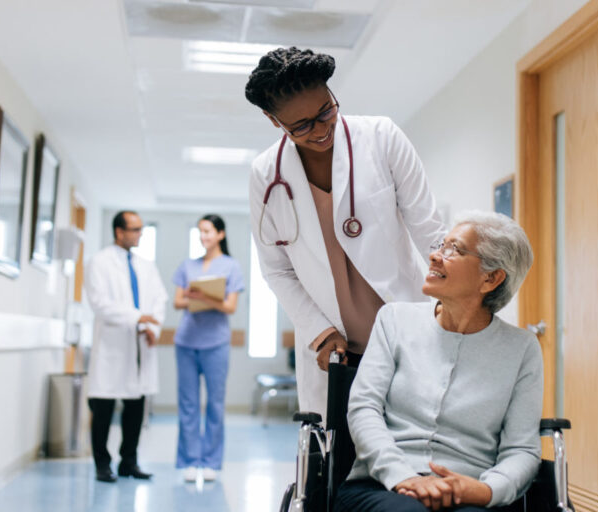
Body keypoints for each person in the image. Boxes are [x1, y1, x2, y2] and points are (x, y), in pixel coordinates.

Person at [245, 47, 447, 417]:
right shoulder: (265, 174)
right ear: (273, 120)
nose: (322, 130)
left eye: (326, 111)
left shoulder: (381, 137)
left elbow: (430, 231)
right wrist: (319, 332)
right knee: (335, 448)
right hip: (332, 350)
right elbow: (276, 268)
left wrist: (460, 301)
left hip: (403, 332)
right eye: (302, 126)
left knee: (411, 443)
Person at [335, 211, 542, 512]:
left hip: (470, 493)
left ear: (491, 278)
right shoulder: (394, 320)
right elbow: (364, 408)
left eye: (454, 249)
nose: (434, 256)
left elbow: (522, 448)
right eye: (441, 245)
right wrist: (403, 477)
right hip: (381, 485)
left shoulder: (521, 349)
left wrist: (485, 490)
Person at [85, 211, 168, 483]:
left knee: (135, 407)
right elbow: (99, 303)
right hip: (113, 344)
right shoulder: (99, 262)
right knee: (103, 408)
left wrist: (153, 328)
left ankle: (128, 462)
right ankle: (102, 464)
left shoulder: (146, 265)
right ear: (119, 232)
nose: (140, 234)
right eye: (135, 229)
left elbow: (159, 300)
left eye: (141, 228)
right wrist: (137, 317)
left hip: (140, 344)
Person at [171, 214, 245, 482]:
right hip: (186, 342)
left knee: (215, 404)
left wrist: (204, 298)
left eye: (208, 231)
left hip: (216, 344)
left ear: (220, 234)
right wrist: (197, 298)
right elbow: (177, 302)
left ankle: (211, 462)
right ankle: (190, 461)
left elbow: (230, 306)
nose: (203, 236)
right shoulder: (187, 266)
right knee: (188, 405)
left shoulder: (231, 266)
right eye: (200, 231)